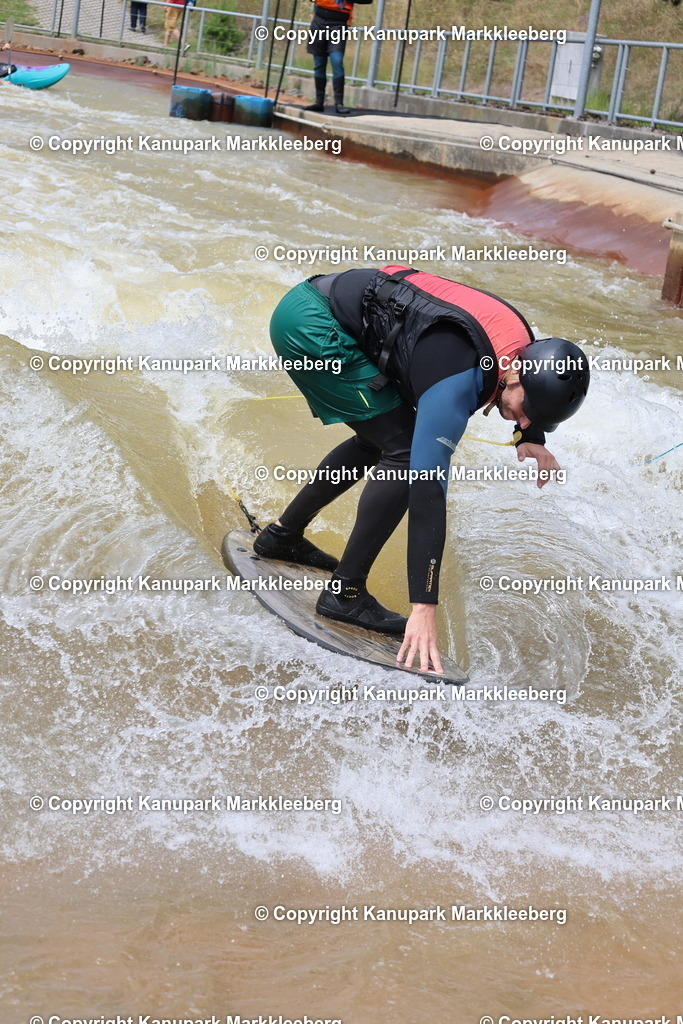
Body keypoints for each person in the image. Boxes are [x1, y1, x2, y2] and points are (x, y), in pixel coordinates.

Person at [251, 266, 590, 673]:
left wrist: (532, 435)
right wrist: (424, 605)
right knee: (405, 451)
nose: (519, 421)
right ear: (514, 374)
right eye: (526, 412)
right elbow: (427, 490)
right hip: (311, 324)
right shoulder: (457, 379)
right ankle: (344, 593)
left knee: (380, 436)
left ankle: (282, 538)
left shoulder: (522, 354)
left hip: (325, 307)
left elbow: (525, 396)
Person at [305, 0, 372, 115]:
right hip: (319, 21)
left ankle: (339, 103)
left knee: (337, 61)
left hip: (338, 24)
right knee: (319, 63)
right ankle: (319, 102)